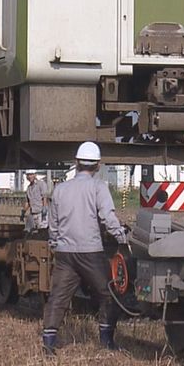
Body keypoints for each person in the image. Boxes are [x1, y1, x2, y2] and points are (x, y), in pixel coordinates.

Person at [41, 142, 128, 355]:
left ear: (76, 163)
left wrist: (55, 242)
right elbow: (107, 217)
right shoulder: (98, 187)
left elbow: (53, 224)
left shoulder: (60, 189)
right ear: (97, 165)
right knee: (108, 294)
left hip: (65, 253)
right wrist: (122, 236)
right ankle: (106, 340)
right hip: (91, 252)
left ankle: (49, 343)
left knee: (58, 297)